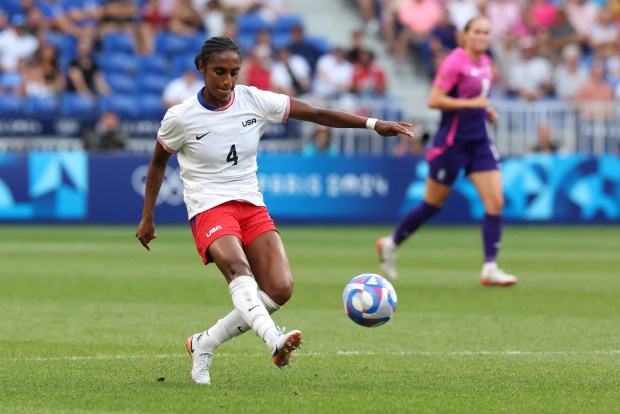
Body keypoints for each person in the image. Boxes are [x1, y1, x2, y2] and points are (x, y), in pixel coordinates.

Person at [135, 36, 413, 385]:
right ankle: (274, 340)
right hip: (209, 206)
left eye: (234, 72)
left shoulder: (254, 100)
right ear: (201, 68)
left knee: (280, 289)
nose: (227, 81)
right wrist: (148, 215)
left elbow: (315, 113)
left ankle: (203, 344)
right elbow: (158, 163)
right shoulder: (180, 117)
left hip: (250, 204)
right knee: (239, 270)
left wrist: (372, 125)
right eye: (219, 72)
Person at [376, 16, 517, 287]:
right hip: (452, 144)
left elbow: (476, 100)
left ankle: (490, 266)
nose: (482, 37)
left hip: (478, 142)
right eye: (477, 31)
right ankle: (391, 244)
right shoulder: (455, 61)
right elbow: (434, 99)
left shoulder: (486, 62)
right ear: (465, 35)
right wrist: (472, 103)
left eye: (486, 32)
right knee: (432, 205)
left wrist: (484, 110)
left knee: (495, 202)